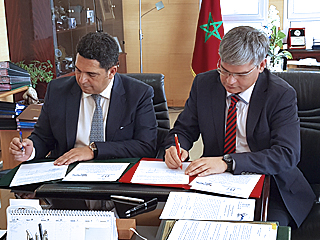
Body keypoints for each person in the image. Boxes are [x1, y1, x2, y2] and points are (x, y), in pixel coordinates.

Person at [163, 26, 315, 229]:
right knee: (182, 227)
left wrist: (228, 162)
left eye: (240, 74)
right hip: (214, 182)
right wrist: (176, 146)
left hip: (271, 186)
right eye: (224, 70)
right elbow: (183, 129)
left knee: (254, 231)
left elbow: (286, 154)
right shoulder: (204, 84)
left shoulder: (280, 94)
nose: (229, 81)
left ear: (261, 65)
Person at [9, 31, 157, 165]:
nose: (81, 80)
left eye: (91, 74)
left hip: (116, 172)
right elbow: (43, 137)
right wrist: (31, 148)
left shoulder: (138, 94)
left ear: (112, 71)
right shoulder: (57, 90)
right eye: (78, 70)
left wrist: (94, 150)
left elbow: (146, 145)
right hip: (68, 174)